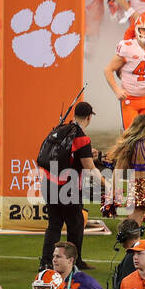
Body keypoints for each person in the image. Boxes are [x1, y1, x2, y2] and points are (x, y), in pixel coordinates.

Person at [39, 102, 98, 271]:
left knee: (54, 225)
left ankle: (46, 262)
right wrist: (106, 183)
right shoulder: (81, 137)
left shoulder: (61, 129)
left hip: (49, 183)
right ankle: (75, 262)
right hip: (68, 188)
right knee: (76, 225)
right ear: (89, 117)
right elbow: (88, 167)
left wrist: (87, 152)